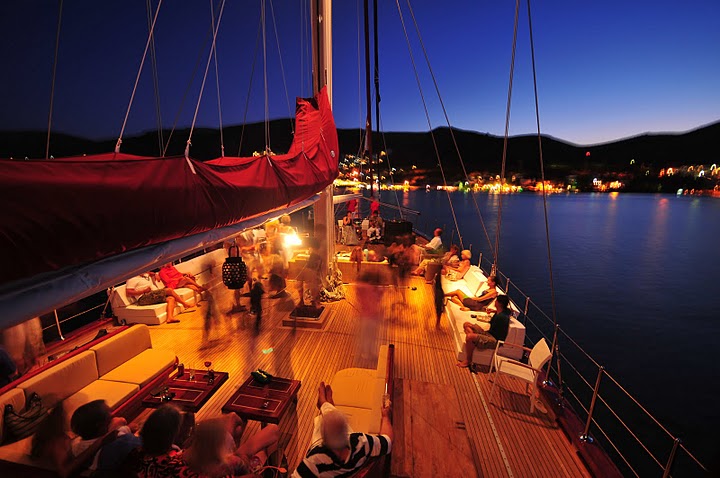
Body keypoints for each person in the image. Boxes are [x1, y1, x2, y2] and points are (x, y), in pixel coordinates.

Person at [293, 382, 392, 477]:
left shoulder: (314, 460)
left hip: (318, 446)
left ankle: (324, 405)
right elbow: (388, 440)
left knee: (322, 422)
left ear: (325, 440)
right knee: (332, 419)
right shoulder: (361, 442)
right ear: (346, 432)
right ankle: (327, 406)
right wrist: (385, 416)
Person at [182, 414, 280, 477]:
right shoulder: (228, 466)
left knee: (235, 420)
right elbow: (247, 472)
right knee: (272, 433)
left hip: (233, 461)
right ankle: (274, 471)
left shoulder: (179, 460)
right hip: (242, 467)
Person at [70, 399, 141, 472]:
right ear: (101, 425)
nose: (113, 416)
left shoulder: (75, 445)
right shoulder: (120, 442)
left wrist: (127, 428)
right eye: (110, 416)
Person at [456, 295, 511, 368]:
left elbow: (496, 330)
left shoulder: (501, 317)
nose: (495, 302)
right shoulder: (502, 312)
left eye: (496, 301)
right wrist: (493, 311)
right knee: (467, 324)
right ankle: (473, 341)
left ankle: (468, 360)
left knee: (469, 336)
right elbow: (510, 311)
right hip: (488, 333)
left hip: (494, 340)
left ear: (499, 303)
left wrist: (481, 333)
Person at [126, 272, 194, 324]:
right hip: (143, 298)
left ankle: (170, 318)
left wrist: (155, 274)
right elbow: (128, 292)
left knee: (171, 298)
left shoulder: (144, 275)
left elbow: (150, 273)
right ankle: (184, 304)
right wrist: (143, 291)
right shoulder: (132, 279)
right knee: (169, 290)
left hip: (153, 295)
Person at [297, 240, 324, 309]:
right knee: (301, 283)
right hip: (311, 272)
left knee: (313, 286)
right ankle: (305, 301)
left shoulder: (316, 255)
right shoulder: (315, 255)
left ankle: (305, 301)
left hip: (312, 273)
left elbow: (315, 267)